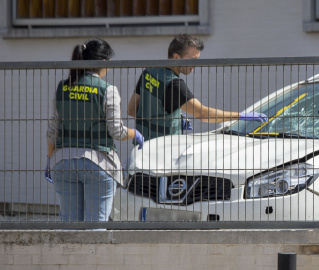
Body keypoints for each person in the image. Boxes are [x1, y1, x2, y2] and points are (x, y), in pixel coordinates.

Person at [45, 38, 144, 222]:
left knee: (70, 224)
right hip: (97, 163)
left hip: (62, 162)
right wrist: (135, 133)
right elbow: (116, 131)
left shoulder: (63, 87)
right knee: (95, 226)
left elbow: (53, 129)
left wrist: (50, 159)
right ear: (104, 62)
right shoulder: (108, 90)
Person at [127, 34, 268, 141]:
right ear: (176, 57)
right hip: (164, 152)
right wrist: (241, 116)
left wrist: (172, 120)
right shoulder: (174, 85)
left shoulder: (149, 72)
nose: (195, 64)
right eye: (192, 59)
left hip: (143, 148)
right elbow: (203, 114)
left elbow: (132, 110)